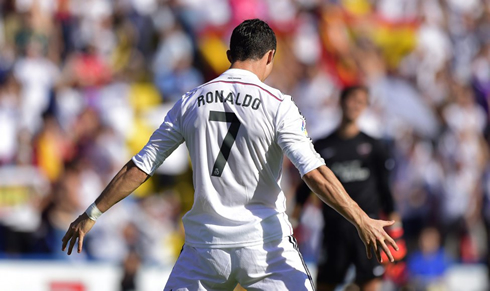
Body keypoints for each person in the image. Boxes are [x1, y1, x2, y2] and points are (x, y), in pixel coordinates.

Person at [61, 19, 398, 291]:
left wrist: (91, 213)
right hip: (264, 248)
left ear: (228, 55)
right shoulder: (278, 104)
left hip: (204, 250)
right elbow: (313, 172)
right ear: (269, 57)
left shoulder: (190, 100)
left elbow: (140, 166)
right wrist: (361, 219)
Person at [294, 85, 402, 291]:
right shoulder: (322, 145)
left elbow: (385, 190)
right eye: (352, 100)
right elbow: (306, 187)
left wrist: (396, 229)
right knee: (325, 284)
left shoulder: (375, 146)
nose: (355, 105)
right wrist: (293, 218)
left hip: (368, 230)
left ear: (365, 107)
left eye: (361, 102)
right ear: (341, 101)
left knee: (370, 284)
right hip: (334, 230)